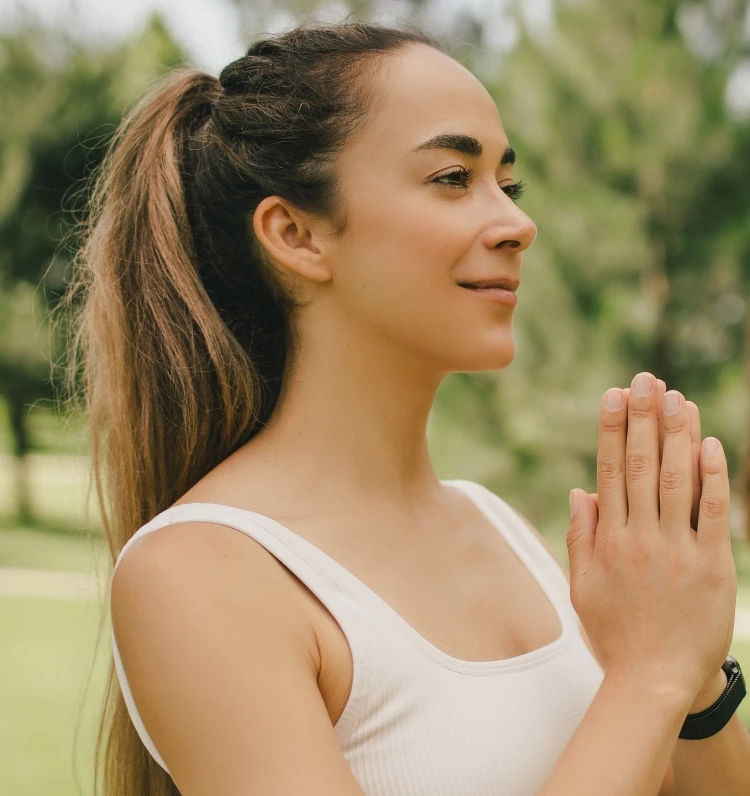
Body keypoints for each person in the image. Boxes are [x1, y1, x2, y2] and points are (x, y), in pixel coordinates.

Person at [61, 20, 748, 796]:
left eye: (507, 184)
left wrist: (691, 676)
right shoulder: (198, 575)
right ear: (296, 235)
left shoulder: (502, 529)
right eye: (453, 177)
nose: (518, 224)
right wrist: (650, 675)